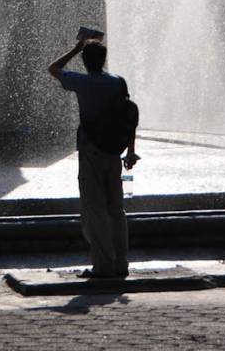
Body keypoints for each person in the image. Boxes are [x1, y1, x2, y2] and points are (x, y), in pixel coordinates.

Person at [48, 38, 139, 279]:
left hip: (91, 151)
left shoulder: (82, 82)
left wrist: (75, 48)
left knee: (94, 208)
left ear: (85, 62)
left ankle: (103, 266)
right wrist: (130, 151)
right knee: (116, 209)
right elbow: (128, 117)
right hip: (114, 153)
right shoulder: (118, 82)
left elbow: (54, 69)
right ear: (104, 59)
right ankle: (121, 263)